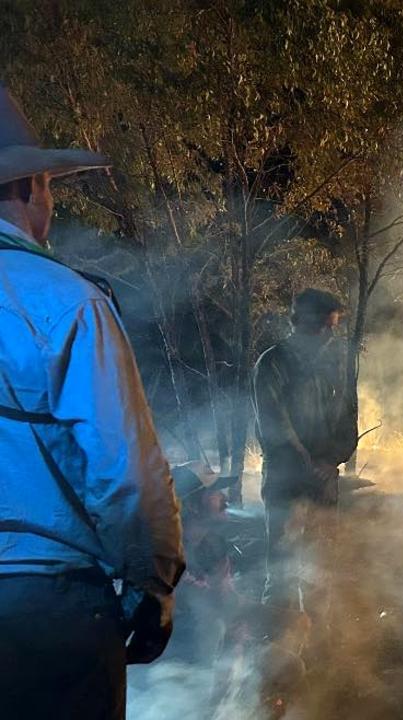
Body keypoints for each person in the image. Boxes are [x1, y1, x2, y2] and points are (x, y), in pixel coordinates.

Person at [0, 87, 184, 719]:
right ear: (27, 189)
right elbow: (125, 471)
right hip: (49, 609)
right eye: (47, 186)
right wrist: (153, 584)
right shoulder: (68, 301)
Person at [252, 289, 358, 612]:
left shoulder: (336, 362)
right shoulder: (272, 362)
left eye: (333, 326)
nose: (330, 334)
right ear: (300, 322)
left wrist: (332, 460)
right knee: (282, 569)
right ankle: (278, 648)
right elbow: (274, 422)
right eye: (324, 326)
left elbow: (349, 414)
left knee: (321, 568)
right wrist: (306, 461)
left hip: (323, 480)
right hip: (286, 480)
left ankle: (317, 643)